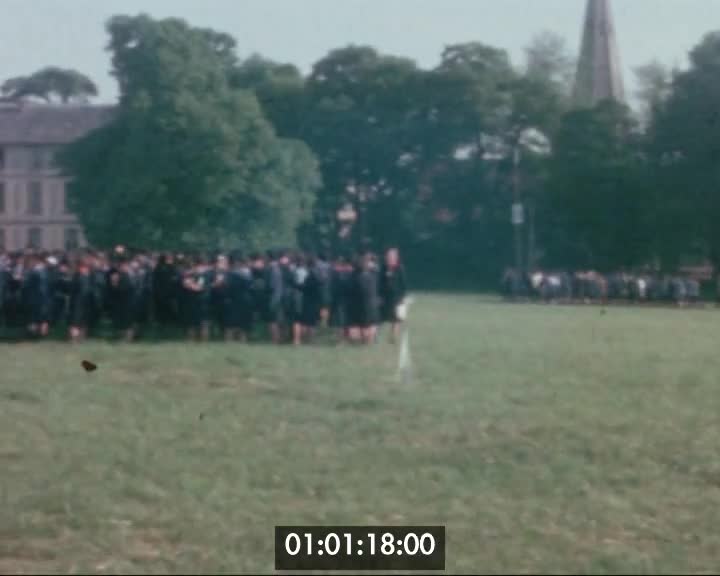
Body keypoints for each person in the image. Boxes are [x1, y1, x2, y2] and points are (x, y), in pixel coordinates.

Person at [223, 252, 254, 342]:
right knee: (243, 323)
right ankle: (242, 340)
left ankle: (229, 340)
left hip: (232, 300)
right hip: (245, 299)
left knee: (230, 323)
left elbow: (227, 288)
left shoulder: (229, 274)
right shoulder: (247, 273)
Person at [379, 247, 408, 343]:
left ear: (396, 257)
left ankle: (393, 338)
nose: (390, 257)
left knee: (397, 319)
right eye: (389, 256)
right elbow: (380, 283)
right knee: (380, 318)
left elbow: (404, 284)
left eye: (392, 256)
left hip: (397, 297)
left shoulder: (400, 268)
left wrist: (403, 297)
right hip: (385, 297)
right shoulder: (383, 268)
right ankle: (376, 336)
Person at [68, 256, 95, 343]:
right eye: (83, 267)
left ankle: (82, 338)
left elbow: (91, 289)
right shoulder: (77, 277)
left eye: (86, 267)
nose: (85, 269)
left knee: (84, 321)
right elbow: (73, 290)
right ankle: (74, 338)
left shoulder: (89, 277)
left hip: (86, 302)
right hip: (77, 302)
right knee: (75, 321)